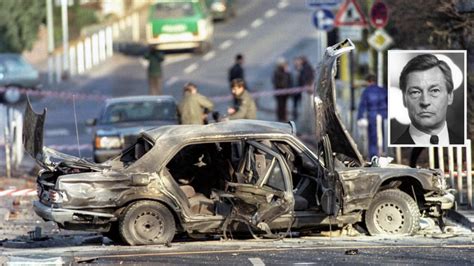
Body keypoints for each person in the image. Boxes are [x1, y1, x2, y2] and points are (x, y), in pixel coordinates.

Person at [393, 54, 463, 145]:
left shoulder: (461, 142)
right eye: (415, 92)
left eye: (434, 91)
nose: (425, 102)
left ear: (450, 96)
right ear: (404, 99)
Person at [357, 74, 387, 158]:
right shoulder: (383, 90)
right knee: (383, 135)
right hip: (383, 115)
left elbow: (362, 105)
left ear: (369, 82)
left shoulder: (366, 91)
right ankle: (383, 154)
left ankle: (374, 157)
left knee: (373, 137)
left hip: (372, 115)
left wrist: (360, 117)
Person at [293, 56, 314, 121]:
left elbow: (306, 78)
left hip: (305, 90)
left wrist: (307, 85)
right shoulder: (302, 68)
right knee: (298, 104)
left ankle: (306, 118)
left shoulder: (306, 68)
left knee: (305, 105)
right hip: (300, 89)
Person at [272, 58, 293, 122]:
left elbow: (289, 80)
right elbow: (276, 82)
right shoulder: (277, 72)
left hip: (285, 93)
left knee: (284, 105)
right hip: (279, 92)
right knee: (280, 105)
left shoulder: (286, 72)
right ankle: (280, 118)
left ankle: (283, 118)